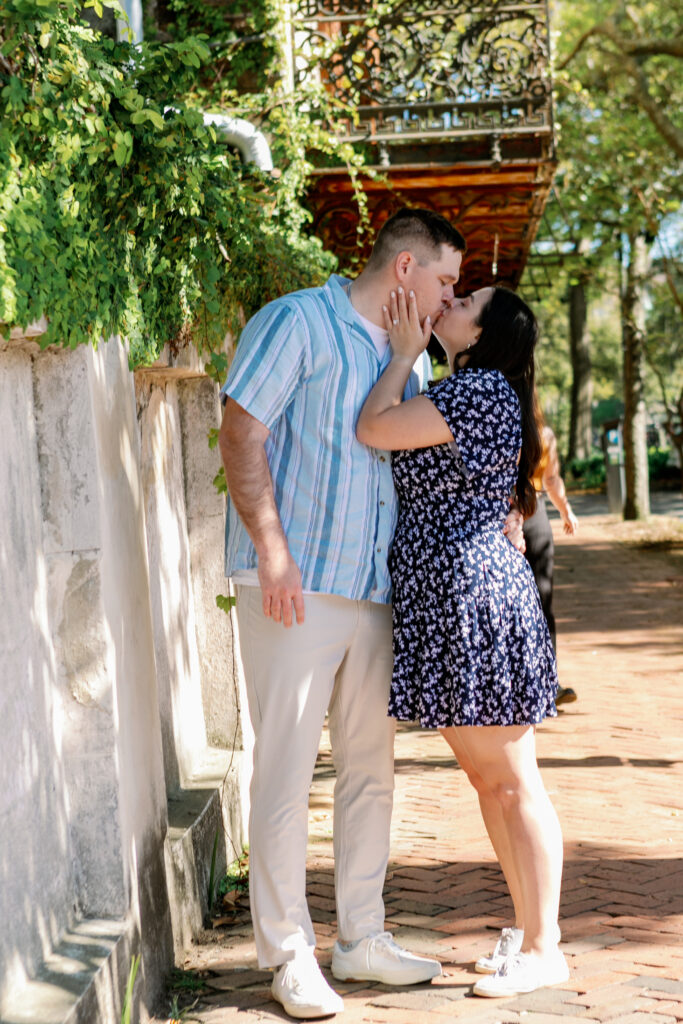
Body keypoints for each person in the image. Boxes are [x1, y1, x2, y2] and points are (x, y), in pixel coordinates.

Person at [219, 209, 526, 1019]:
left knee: (368, 775)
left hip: (374, 592)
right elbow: (241, 429)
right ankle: (287, 953)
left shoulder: (411, 359)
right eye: (445, 282)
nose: (448, 296)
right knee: (286, 774)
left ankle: (359, 936)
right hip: (295, 584)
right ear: (405, 270)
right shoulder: (296, 322)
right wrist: (271, 548)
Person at [356, 285, 569, 998]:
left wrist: (403, 355)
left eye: (466, 297)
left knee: (513, 781)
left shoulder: (476, 390)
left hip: (471, 600)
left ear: (483, 332)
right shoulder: (469, 387)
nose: (451, 298)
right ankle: (529, 930)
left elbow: (374, 429)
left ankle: (546, 947)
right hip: (452, 598)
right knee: (490, 780)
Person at [523, 422, 579, 706]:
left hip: (531, 509)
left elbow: (551, 478)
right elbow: (552, 478)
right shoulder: (540, 432)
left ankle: (548, 682)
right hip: (509, 512)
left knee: (542, 599)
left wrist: (565, 509)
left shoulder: (543, 434)